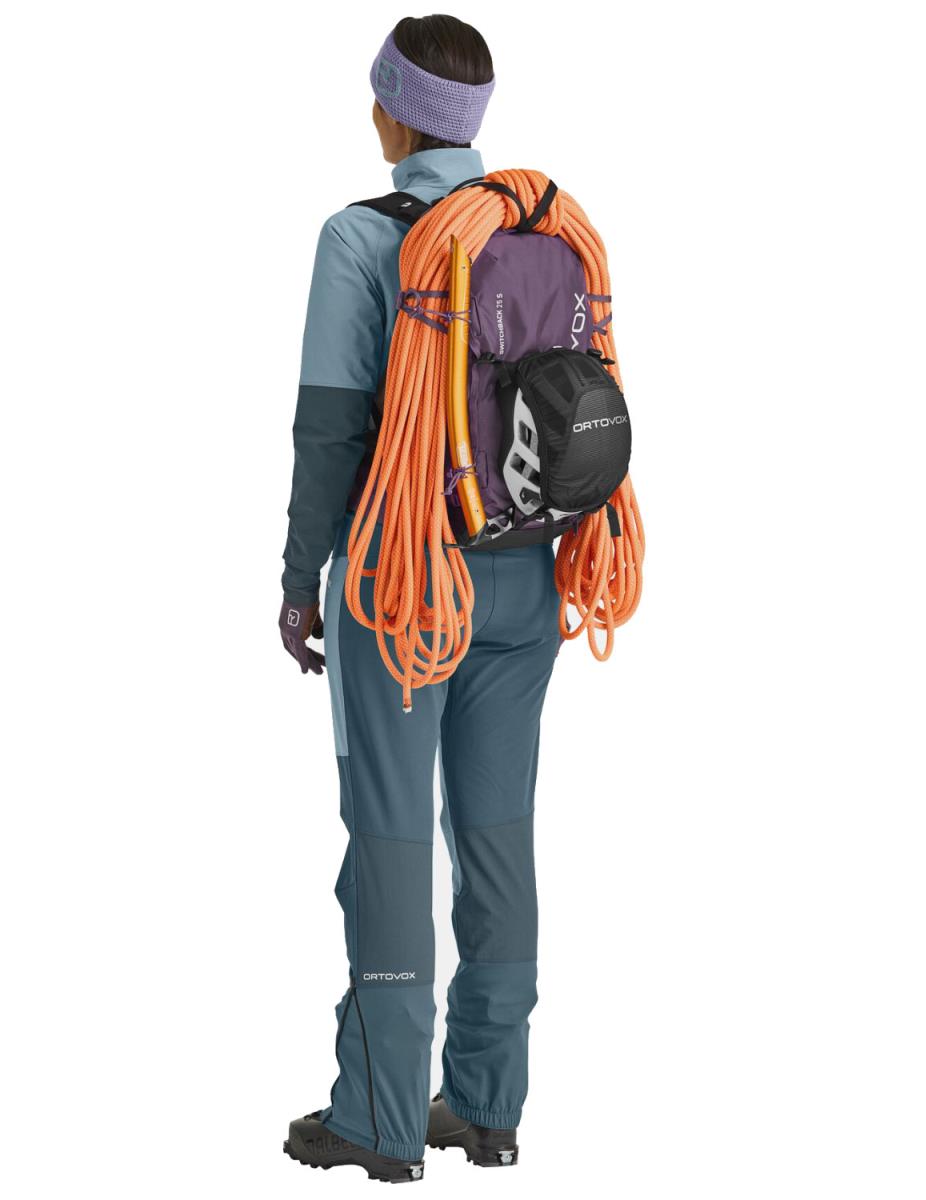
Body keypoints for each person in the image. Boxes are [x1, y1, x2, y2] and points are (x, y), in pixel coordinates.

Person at [279, 16, 558, 1182]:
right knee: (497, 841)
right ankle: (487, 1108)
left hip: (401, 587)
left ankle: (382, 1122)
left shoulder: (362, 236)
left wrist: (300, 585)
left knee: (390, 845)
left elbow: (331, 429)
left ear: (389, 112)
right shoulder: (538, 231)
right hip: (526, 581)